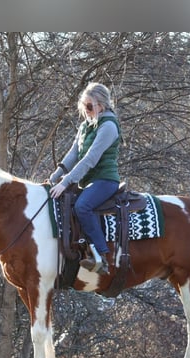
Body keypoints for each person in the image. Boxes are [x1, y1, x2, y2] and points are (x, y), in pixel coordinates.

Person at [49, 82, 121, 275]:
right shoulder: (84, 126)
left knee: (83, 206)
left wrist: (66, 182)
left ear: (101, 105)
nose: (86, 110)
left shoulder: (108, 126)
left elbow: (90, 158)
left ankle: (102, 257)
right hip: (87, 181)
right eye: (84, 106)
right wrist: (56, 176)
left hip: (105, 179)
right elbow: (73, 154)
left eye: (89, 106)